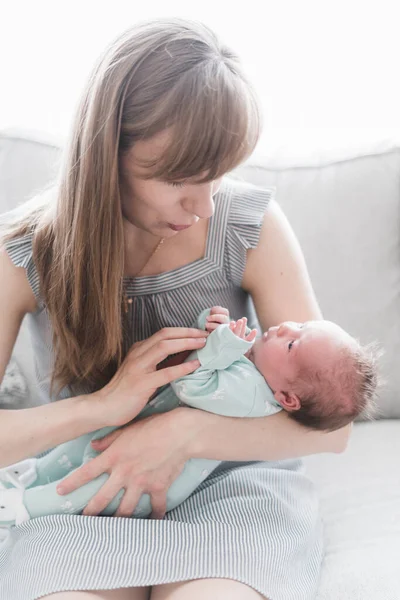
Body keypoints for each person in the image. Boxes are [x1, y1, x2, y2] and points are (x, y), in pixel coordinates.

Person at [0, 17, 353, 600]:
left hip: (230, 481)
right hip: (88, 490)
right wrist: (104, 407)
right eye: (179, 180)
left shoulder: (249, 225)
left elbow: (330, 429)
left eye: (216, 177)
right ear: (106, 153)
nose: (204, 206)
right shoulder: (24, 256)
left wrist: (183, 432)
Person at [0, 305, 379, 528]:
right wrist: (212, 326)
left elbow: (192, 383)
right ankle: (33, 473)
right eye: (302, 325)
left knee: (89, 486)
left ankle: (26, 508)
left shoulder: (252, 398)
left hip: (153, 475)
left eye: (293, 343)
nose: (285, 327)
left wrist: (223, 345)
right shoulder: (254, 368)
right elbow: (209, 353)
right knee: (84, 445)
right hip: (134, 428)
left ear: (287, 398)